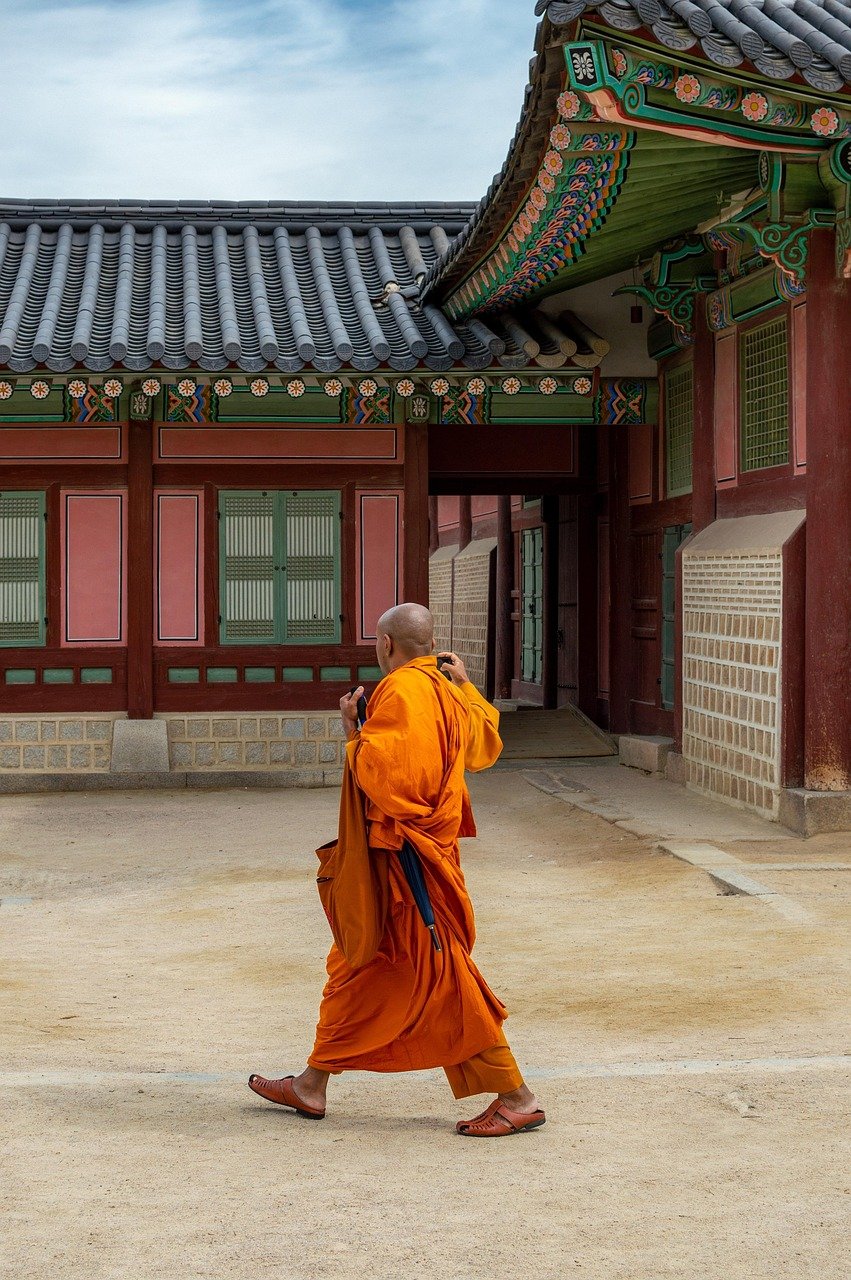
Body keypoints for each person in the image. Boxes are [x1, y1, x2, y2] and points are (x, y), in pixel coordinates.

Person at [249, 602, 545, 1137]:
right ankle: (311, 1084)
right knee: (361, 964)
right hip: (424, 854)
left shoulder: (403, 691)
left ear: (386, 644)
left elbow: (391, 782)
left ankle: (517, 1096)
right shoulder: (447, 688)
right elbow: (484, 746)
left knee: (441, 971)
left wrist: (353, 732)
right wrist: (467, 687)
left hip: (407, 861)